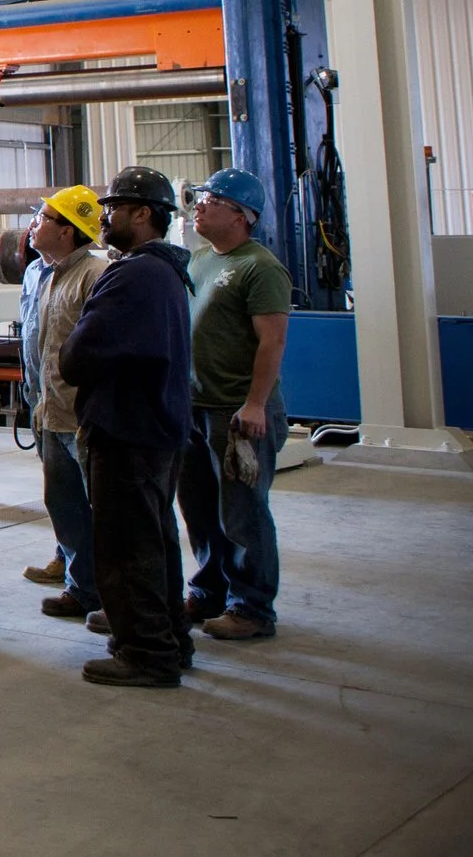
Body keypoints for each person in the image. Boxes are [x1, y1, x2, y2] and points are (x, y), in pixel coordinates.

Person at [59, 165, 196, 689]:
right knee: (154, 540)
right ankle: (169, 640)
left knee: (126, 546)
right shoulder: (167, 272)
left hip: (126, 430)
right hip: (154, 428)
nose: (105, 217)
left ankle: (145, 652)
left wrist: (76, 350)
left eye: (114, 208)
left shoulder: (134, 274)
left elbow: (80, 355)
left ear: (143, 215)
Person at [179, 167, 291, 642]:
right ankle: (209, 592)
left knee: (242, 512)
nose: (199, 206)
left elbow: (272, 342)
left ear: (242, 216)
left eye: (212, 200)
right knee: (200, 510)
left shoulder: (259, 267)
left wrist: (255, 405)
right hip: (194, 407)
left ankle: (252, 607)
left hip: (236, 411)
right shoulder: (201, 260)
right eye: (200, 198)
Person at [16, 185, 107, 620]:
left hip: (84, 416)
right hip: (49, 412)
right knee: (64, 505)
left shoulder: (94, 275)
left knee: (104, 511)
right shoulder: (42, 273)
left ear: (69, 232)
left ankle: (114, 594)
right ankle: (82, 587)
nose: (35, 224)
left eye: (45, 218)